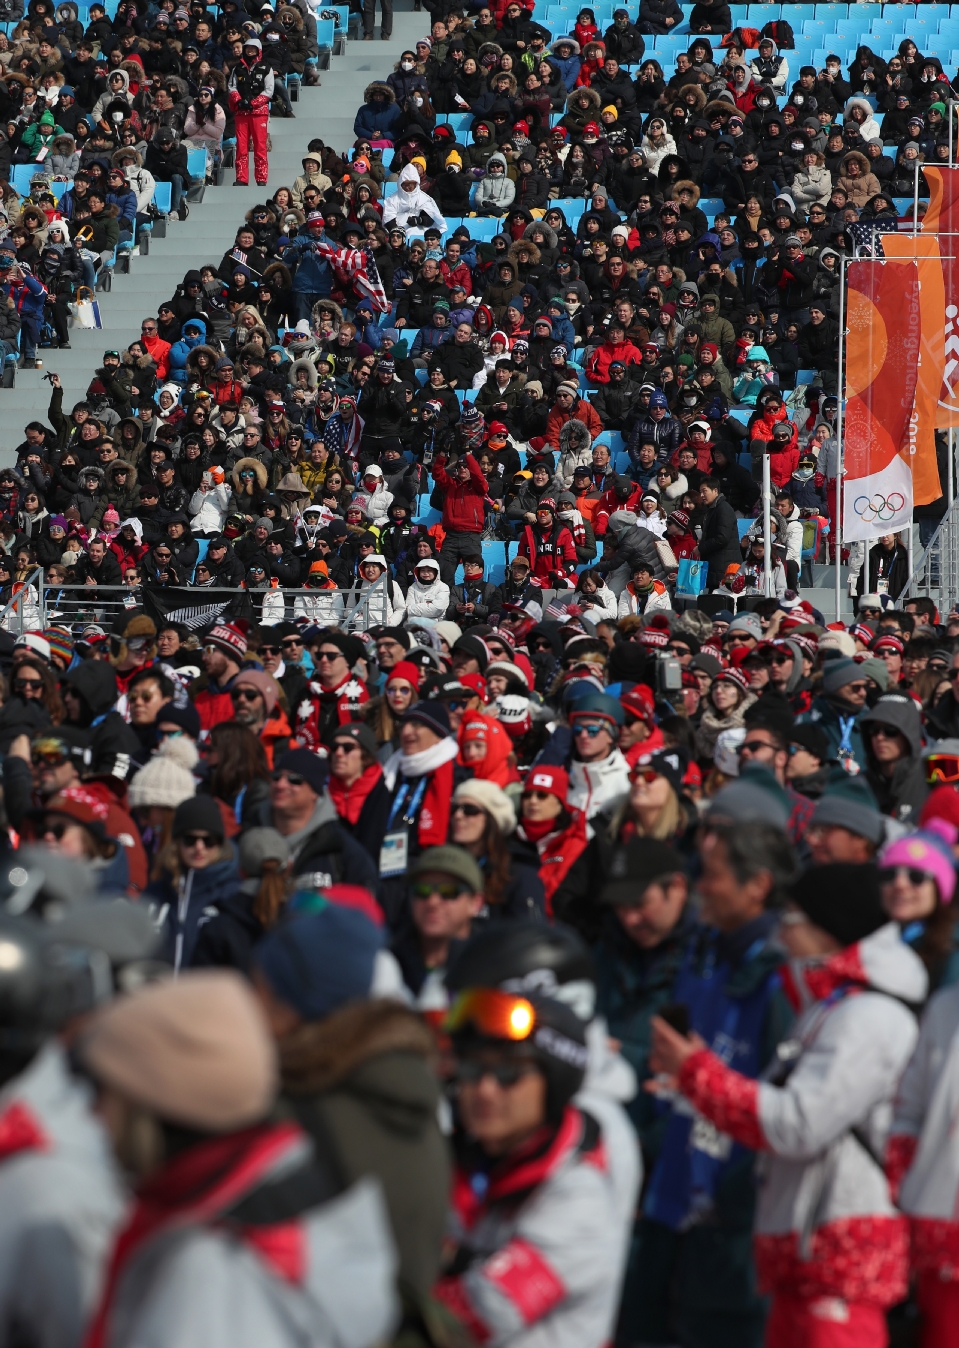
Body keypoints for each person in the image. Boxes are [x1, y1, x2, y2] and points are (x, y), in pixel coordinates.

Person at [649, 863, 925, 1348]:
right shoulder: (831, 1007)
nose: (782, 928)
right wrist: (692, 1082)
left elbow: (796, 1124)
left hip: (839, 1255)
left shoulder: (868, 1017)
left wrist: (698, 1074)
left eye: (793, 915)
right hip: (806, 1252)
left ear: (827, 926)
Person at [76, 971, 398, 1348]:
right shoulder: (296, 1199)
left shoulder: (206, 1277)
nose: (95, 1115)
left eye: (111, 1094)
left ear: (154, 1112)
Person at [435, 922, 641, 1348]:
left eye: (506, 1071)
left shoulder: (587, 1140)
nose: (485, 1088)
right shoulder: (502, 1141)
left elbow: (480, 1312)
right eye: (474, 1066)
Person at [634, 815, 795, 1348]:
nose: (699, 885)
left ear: (758, 887)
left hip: (731, 1236)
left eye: (714, 874)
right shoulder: (704, 959)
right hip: (670, 1203)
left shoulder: (781, 984)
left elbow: (782, 1115)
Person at [447, 777, 547, 920]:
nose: (458, 815)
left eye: (470, 810)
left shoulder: (520, 872)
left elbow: (530, 933)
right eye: (454, 809)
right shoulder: (446, 866)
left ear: (493, 819)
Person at [228, 37, 274, 188]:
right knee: (241, 147)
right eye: (248, 48)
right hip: (241, 113)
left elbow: (269, 90)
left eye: (253, 48)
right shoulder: (237, 68)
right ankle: (241, 178)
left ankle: (261, 179)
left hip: (259, 113)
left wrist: (253, 104)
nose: (250, 51)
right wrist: (239, 101)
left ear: (258, 50)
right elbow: (232, 87)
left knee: (260, 147)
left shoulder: (266, 68)